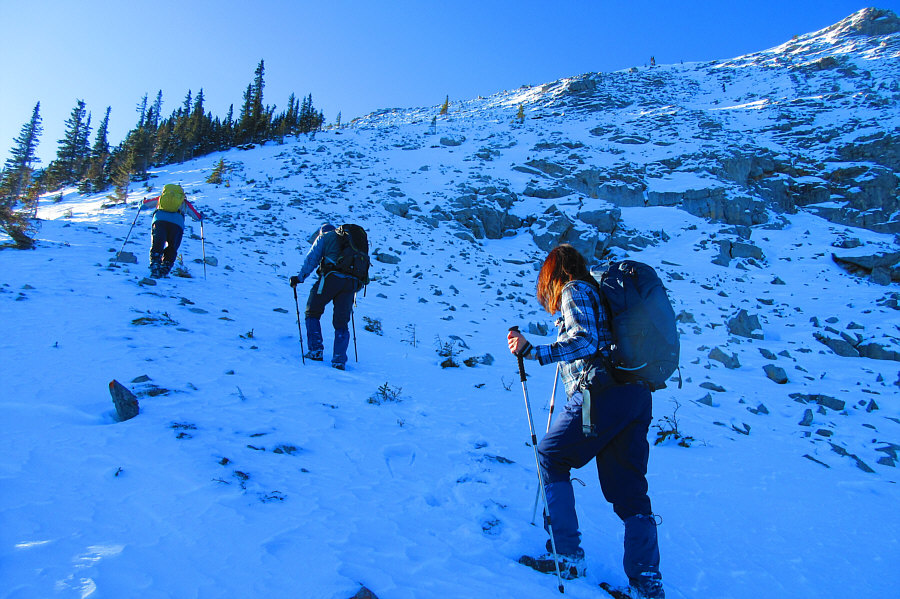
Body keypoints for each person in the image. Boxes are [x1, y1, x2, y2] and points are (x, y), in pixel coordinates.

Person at [507, 244, 664, 599]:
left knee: (551, 455)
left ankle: (567, 555)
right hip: (636, 393)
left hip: (603, 392)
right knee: (629, 489)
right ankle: (646, 584)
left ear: (552, 273)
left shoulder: (574, 289)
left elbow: (585, 340)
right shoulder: (600, 296)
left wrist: (536, 351)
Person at [289, 224, 362, 370]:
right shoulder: (351, 242)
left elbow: (312, 259)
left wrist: (300, 278)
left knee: (312, 311)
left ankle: (315, 350)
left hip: (330, 278)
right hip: (351, 283)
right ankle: (339, 360)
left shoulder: (324, 237)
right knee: (342, 322)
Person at [142, 184, 203, 278]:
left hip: (159, 220)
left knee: (157, 244)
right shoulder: (183, 202)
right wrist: (201, 216)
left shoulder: (161, 198)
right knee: (172, 246)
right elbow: (196, 217)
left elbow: (144, 206)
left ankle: (155, 265)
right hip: (176, 224)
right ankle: (165, 268)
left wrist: (141, 203)